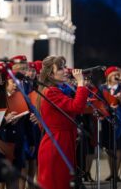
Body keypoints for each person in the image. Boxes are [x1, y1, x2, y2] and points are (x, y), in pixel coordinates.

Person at [37, 56, 89, 189]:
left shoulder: (55, 89)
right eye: (60, 68)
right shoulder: (51, 92)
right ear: (50, 73)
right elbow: (77, 107)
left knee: (64, 181)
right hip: (56, 142)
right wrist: (81, 83)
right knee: (58, 182)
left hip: (63, 140)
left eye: (65, 67)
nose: (65, 70)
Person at [99, 66, 121, 181]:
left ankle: (116, 173)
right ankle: (111, 172)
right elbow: (99, 102)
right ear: (108, 76)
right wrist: (106, 107)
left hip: (119, 119)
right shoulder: (102, 87)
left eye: (117, 74)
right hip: (107, 120)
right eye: (113, 74)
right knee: (109, 147)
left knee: (119, 146)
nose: (116, 76)